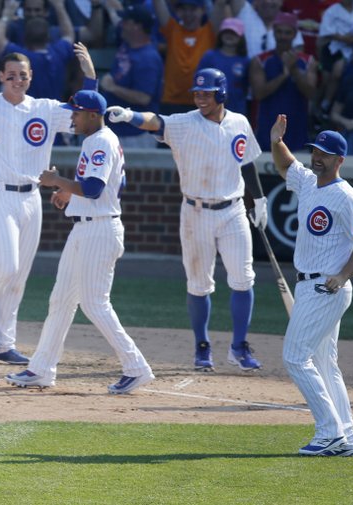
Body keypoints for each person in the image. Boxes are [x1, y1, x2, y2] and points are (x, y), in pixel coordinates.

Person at [107, 68, 268, 372]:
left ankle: (239, 346)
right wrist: (129, 116)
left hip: (233, 209)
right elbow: (157, 121)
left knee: (243, 279)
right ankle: (202, 346)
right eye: (197, 93)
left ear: (221, 93)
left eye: (206, 93)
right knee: (198, 284)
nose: (200, 98)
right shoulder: (186, 123)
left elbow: (246, 163)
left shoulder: (239, 122)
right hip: (195, 212)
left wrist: (258, 199)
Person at [0, 46, 97, 365]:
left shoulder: (44, 108)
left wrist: (89, 77)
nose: (17, 80)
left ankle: (4, 342)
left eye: (23, 75)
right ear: (0, 76)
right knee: (7, 265)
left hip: (32, 197)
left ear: (31, 78)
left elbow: (85, 113)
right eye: (11, 75)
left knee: (19, 277)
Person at [5, 90, 155, 393]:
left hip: (99, 230)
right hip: (86, 229)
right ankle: (41, 369)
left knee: (94, 303)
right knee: (61, 300)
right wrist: (67, 192)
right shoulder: (96, 139)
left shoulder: (100, 141)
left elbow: (94, 188)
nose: (71, 118)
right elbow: (97, 185)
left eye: (76, 113)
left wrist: (56, 182)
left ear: (92, 115)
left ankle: (136, 366)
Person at [270, 115, 353, 456]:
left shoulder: (347, 197)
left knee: (295, 357)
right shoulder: (308, 182)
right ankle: (345, 434)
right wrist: (276, 142)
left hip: (326, 288)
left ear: (339, 160)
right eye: (315, 151)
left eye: (325, 154)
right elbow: (286, 165)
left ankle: (329, 432)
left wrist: (343, 276)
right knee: (324, 363)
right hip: (308, 285)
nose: (318, 157)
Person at [250, 11, 317, 152]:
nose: (283, 37)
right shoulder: (260, 60)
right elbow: (259, 93)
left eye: (287, 33)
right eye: (279, 32)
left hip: (298, 134)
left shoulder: (308, 61)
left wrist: (294, 70)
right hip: (266, 132)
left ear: (294, 34)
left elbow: (311, 93)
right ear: (273, 33)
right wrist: (284, 75)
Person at [100, 4, 163, 148]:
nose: (121, 24)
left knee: (138, 171)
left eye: (126, 22)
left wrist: (112, 88)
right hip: (118, 129)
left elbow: (144, 98)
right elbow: (115, 18)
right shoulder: (128, 43)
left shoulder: (149, 58)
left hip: (137, 134)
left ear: (137, 27)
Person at [153, 0, 228, 114]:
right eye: (183, 9)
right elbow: (158, 3)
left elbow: (220, 3)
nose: (188, 14)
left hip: (202, 102)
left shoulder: (209, 31)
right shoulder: (172, 29)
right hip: (172, 102)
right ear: (177, 12)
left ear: (203, 10)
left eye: (193, 9)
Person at [0, 0, 75, 101]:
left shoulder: (20, 58)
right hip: (54, 111)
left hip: (26, 113)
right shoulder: (59, 53)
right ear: (48, 37)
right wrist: (59, 7)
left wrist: (6, 14)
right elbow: (69, 35)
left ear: (25, 38)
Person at [316, 0, 353, 120]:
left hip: (349, 51)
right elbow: (325, 31)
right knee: (325, 80)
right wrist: (343, 38)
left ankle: (326, 104)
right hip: (332, 48)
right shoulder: (332, 10)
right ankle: (315, 109)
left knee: (337, 73)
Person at [198, 17, 251, 116]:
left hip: (236, 110)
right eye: (226, 32)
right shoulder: (209, 56)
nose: (229, 36)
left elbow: (246, 87)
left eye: (233, 33)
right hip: (211, 110)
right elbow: (199, 81)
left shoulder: (245, 60)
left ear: (241, 37)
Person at [230, 0, 306, 59]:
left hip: (277, 75)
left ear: (281, 2)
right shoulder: (245, 12)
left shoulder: (289, 25)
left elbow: (297, 61)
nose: (268, 1)